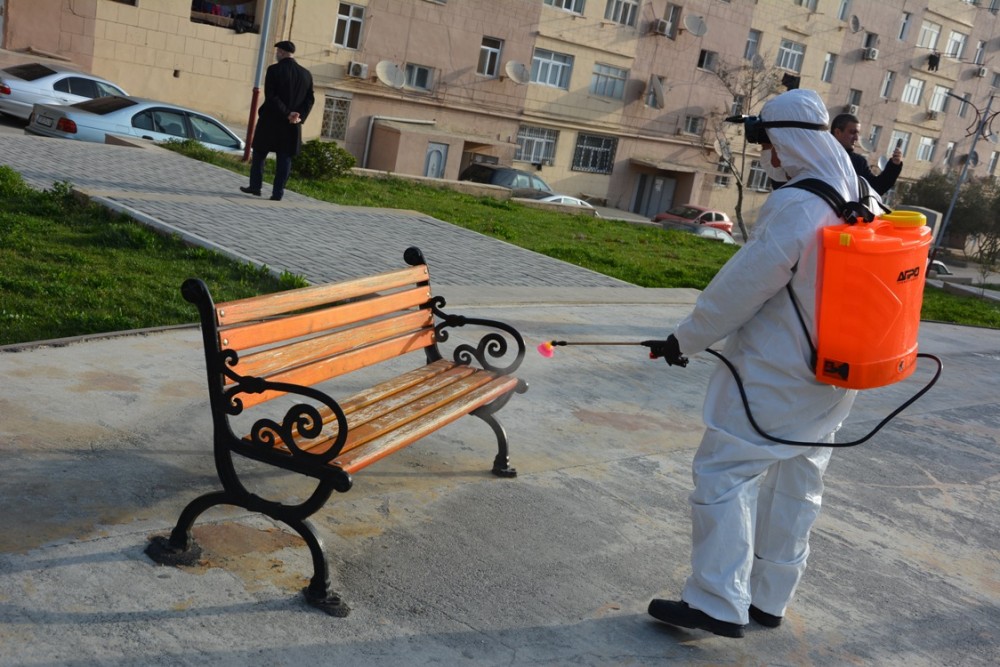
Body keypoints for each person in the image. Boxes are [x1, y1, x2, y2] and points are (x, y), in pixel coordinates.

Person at [646, 89, 867, 639]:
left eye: (766, 141)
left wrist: (684, 340)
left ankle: (716, 601)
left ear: (785, 141)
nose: (765, 154)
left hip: (781, 375)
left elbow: (740, 289)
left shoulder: (799, 205)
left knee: (723, 473)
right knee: (799, 478)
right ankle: (769, 598)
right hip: (838, 374)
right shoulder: (861, 194)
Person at [241, 40, 314, 202]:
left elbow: (271, 96)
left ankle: (255, 186)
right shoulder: (306, 74)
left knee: (260, 154)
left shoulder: (274, 70)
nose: (276, 55)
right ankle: (277, 193)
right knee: (284, 158)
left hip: (271, 122)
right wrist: (298, 116)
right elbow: (310, 100)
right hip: (292, 125)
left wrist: (287, 113)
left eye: (277, 52)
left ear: (281, 52)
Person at [830, 113, 902, 196]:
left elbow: (875, 188)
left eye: (857, 133)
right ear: (838, 132)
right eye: (852, 132)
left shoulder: (858, 162)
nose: (856, 138)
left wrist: (894, 165)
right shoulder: (819, 155)